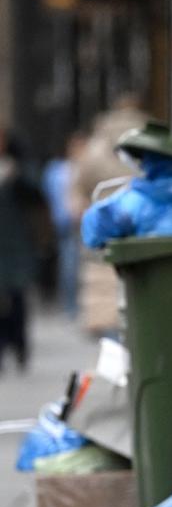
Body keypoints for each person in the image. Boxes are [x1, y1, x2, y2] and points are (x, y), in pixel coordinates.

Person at [0, 129, 52, 371]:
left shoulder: (21, 169)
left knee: (18, 297)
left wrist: (17, 177)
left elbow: (38, 198)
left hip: (18, 244)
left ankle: (20, 345)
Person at [42, 131, 87, 319]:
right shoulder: (58, 169)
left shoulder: (86, 167)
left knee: (80, 266)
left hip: (83, 222)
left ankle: (81, 306)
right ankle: (70, 305)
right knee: (69, 265)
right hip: (68, 223)